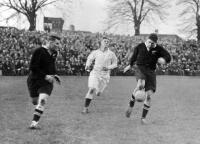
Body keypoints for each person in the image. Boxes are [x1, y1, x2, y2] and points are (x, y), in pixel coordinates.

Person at [124, 33, 171, 124]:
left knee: (149, 95)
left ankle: (143, 118)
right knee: (141, 85)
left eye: (153, 43)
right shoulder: (140, 46)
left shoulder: (158, 49)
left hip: (151, 72)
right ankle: (130, 106)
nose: (150, 44)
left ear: (155, 43)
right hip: (140, 68)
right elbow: (134, 57)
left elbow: (168, 56)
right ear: (147, 39)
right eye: (149, 42)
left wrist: (164, 60)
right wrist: (129, 65)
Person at [27, 35, 61, 129]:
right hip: (34, 79)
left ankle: (34, 123)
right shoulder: (39, 51)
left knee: (42, 101)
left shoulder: (55, 53)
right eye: (57, 43)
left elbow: (51, 65)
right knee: (35, 101)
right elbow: (33, 67)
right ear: (50, 42)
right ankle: (37, 108)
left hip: (47, 82)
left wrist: (55, 74)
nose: (59, 45)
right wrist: (45, 76)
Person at [82, 37, 118, 114]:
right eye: (105, 41)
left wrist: (108, 67)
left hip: (105, 76)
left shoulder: (111, 54)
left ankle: (98, 90)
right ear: (101, 42)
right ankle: (85, 108)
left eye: (108, 41)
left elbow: (115, 63)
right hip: (95, 73)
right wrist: (87, 66)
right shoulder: (95, 52)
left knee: (98, 93)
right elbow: (89, 59)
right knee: (91, 89)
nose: (106, 42)